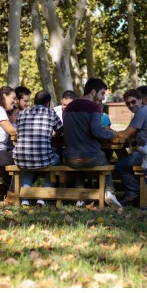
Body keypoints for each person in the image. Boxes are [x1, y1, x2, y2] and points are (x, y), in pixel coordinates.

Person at [63, 77, 122, 208]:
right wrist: (112, 133)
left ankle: (80, 198)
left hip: (69, 158)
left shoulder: (67, 108)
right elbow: (97, 132)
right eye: (102, 94)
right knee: (105, 160)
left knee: (80, 166)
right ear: (93, 92)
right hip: (91, 157)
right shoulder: (93, 107)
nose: (102, 98)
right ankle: (109, 193)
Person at [13, 90, 63, 206]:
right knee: (55, 159)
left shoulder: (22, 113)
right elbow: (61, 130)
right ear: (48, 103)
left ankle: (25, 200)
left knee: (27, 162)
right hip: (44, 160)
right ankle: (42, 198)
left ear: (34, 101)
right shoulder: (50, 113)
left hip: (21, 158)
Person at [114, 89, 147, 206]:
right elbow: (130, 132)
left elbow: (126, 134)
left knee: (120, 166)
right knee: (126, 161)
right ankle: (133, 192)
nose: (131, 105)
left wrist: (109, 132)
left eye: (133, 102)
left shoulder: (142, 111)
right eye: (128, 103)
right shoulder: (143, 111)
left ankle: (134, 192)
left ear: (141, 100)